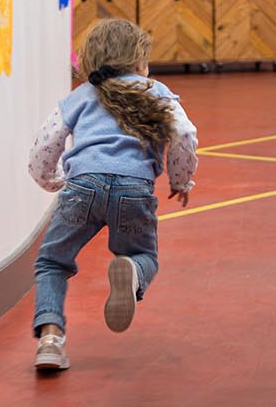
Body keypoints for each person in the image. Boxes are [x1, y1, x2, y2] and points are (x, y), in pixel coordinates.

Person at [26, 19, 199, 371]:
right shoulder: (157, 92)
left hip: (83, 187)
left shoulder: (79, 97)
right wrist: (180, 180)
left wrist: (53, 180)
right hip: (135, 189)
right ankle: (132, 271)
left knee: (52, 262)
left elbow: (45, 145)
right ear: (138, 62)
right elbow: (183, 134)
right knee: (144, 254)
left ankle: (50, 341)